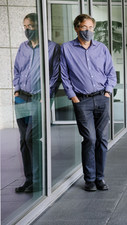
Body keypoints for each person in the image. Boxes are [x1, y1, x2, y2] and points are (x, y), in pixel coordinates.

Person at [60, 14, 116, 192]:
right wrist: (73, 97)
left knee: (102, 140)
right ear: (76, 28)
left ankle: (100, 178)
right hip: (82, 101)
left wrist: (107, 92)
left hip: (102, 98)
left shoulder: (101, 48)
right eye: (84, 27)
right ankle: (89, 179)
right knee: (90, 139)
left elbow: (111, 73)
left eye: (91, 27)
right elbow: (64, 75)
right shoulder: (67, 48)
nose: (88, 31)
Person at [13, 13, 60, 193]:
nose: (27, 29)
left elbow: (55, 75)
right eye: (25, 26)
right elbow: (17, 69)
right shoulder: (22, 47)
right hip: (21, 97)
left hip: (39, 98)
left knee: (31, 138)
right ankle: (29, 180)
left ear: (39, 26)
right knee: (23, 141)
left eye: (30, 26)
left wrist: (46, 95)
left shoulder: (52, 48)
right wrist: (16, 89)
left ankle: (39, 180)